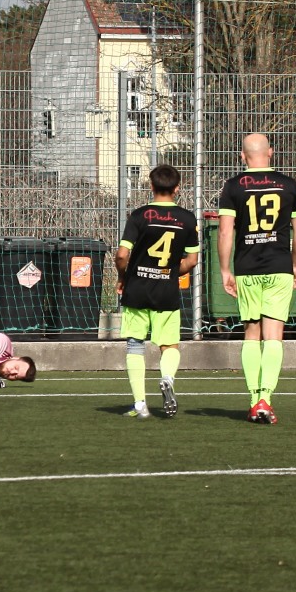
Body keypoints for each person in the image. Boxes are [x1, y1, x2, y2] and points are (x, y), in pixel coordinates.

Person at [217, 133, 296, 424]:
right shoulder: (288, 184)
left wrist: (225, 270)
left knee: (251, 334)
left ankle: (254, 400)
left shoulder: (233, 186)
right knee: (273, 336)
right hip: (279, 266)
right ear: (270, 152)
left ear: (242, 156)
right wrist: (295, 263)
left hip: (247, 268)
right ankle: (265, 399)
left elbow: (225, 231)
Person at [116, 164, 200, 418]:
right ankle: (167, 378)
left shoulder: (139, 215)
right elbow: (191, 260)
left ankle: (140, 405)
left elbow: (122, 254)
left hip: (137, 287)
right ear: (178, 188)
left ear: (151, 186)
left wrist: (123, 276)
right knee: (169, 344)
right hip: (166, 290)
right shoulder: (187, 219)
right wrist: (171, 272)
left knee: (135, 344)